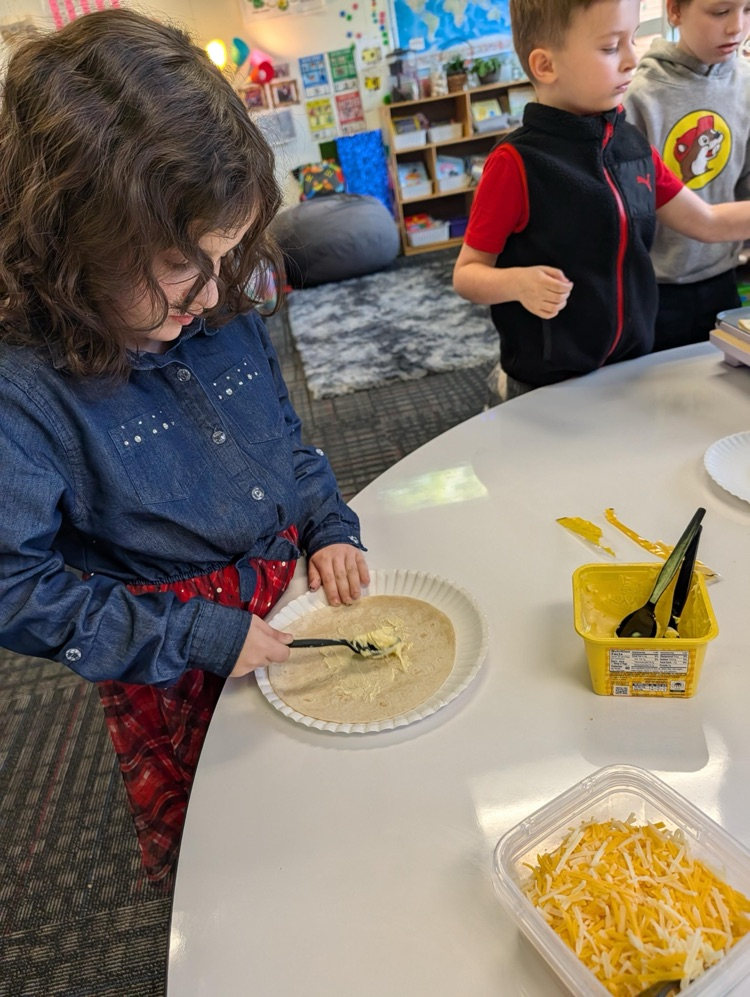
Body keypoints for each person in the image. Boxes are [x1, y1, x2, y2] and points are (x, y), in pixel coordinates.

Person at [0, 9, 369, 883]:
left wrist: (328, 523)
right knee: (232, 857)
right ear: (69, 250)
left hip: (287, 605)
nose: (212, 292)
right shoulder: (23, 388)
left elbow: (281, 440)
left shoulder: (218, 294)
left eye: (230, 253)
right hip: (171, 661)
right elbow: (14, 587)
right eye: (180, 266)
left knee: (335, 810)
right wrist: (196, 632)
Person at [453, 0, 750, 402]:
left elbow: (706, 221)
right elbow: (468, 273)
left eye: (631, 40)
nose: (632, 59)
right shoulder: (515, 163)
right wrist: (516, 283)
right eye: (611, 47)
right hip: (547, 382)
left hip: (630, 367)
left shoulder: (631, 145)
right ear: (546, 66)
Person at [624, 0, 750, 351]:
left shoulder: (746, 84)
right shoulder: (639, 95)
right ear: (675, 11)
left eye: (748, 10)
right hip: (657, 287)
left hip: (723, 277)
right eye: (720, 12)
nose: (736, 27)